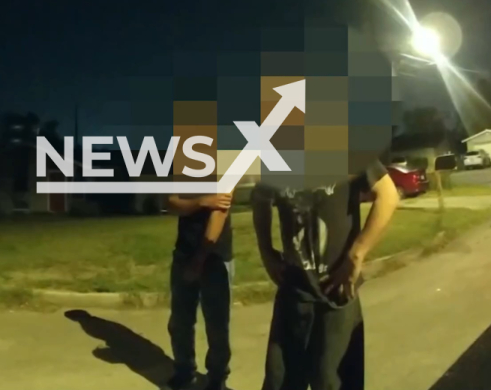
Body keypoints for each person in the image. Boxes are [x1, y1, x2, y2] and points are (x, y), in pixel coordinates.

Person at [251, 160, 399, 390]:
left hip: (337, 292)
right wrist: (266, 251)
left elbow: (388, 195)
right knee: (279, 381)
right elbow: (260, 199)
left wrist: (357, 252)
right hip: (294, 293)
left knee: (332, 381)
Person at [165, 192, 234, 390]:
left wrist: (199, 261)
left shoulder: (225, 169)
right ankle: (184, 370)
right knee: (180, 320)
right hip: (183, 252)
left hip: (215, 256)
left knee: (217, 324)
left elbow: (219, 214)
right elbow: (171, 203)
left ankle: (217, 377)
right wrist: (201, 202)